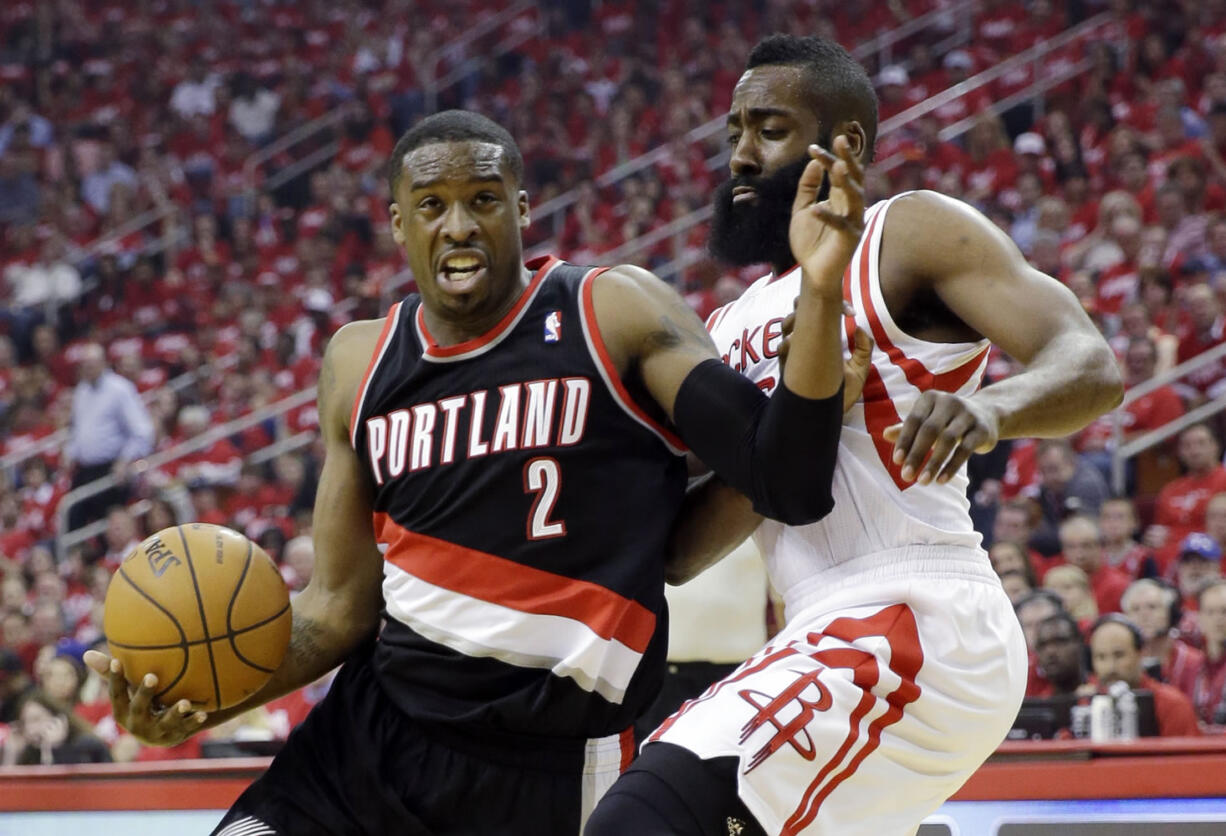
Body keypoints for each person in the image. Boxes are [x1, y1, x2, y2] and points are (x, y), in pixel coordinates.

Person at [84, 108, 866, 835]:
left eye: (484, 199)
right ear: (398, 224)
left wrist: (823, 300)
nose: (459, 225)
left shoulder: (611, 312)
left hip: (550, 765)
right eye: (431, 205)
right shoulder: (359, 363)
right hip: (367, 741)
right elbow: (335, 610)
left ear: (522, 210)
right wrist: (202, 702)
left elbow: (783, 480)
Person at [587, 35, 1122, 836]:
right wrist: (791, 433)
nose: (739, 154)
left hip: (918, 611)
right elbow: (685, 553)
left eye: (767, 129)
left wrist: (992, 408)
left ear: (846, 146)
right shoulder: (724, 326)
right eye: (733, 131)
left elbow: (1089, 361)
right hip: (809, 625)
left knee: (645, 817)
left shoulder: (906, 233)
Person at [64, 343, 155, 532]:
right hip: (85, 469)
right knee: (73, 517)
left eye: (91, 364)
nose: (87, 369)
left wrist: (125, 459)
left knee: (110, 525)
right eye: (84, 365)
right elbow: (78, 429)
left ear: (103, 363)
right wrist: (69, 453)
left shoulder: (120, 389)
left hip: (112, 469)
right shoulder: (82, 391)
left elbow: (142, 431)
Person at [1087, 615, 1201, 737]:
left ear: (1141, 654)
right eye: (1101, 657)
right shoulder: (1084, 705)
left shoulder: (1173, 705)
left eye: (1119, 655)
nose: (1110, 667)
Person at [1145, 424, 1226, 572]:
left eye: (1201, 443)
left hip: (1210, 554)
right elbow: (1160, 531)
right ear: (1180, 452)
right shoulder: (1170, 489)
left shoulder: (1224, 480)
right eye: (1187, 445)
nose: (1194, 451)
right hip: (1169, 556)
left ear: (1216, 446)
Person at [1122, 578, 1202, 699]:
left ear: (1171, 613)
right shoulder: (1122, 663)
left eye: (1152, 607)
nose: (1144, 614)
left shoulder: (1195, 662)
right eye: (1135, 609)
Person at [0, 690, 112, 765]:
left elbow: (72, 788)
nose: (30, 729)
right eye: (25, 722)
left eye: (36, 719)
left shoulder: (87, 745)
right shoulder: (31, 752)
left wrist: (57, 749)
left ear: (58, 720)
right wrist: (12, 754)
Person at [1055, 515, 1132, 615]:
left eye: (1086, 545)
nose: (1079, 554)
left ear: (1100, 546)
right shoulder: (1055, 581)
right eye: (1071, 547)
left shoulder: (1119, 585)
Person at [1192, 579, 1226, 726]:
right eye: (1210, 612)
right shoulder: (1191, 665)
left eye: (1225, 611)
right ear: (1200, 617)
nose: (1218, 619)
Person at [1031, 612, 1089, 698]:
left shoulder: (1101, 694)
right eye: (1042, 645)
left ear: (1079, 643)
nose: (1050, 651)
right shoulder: (1037, 705)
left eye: (1060, 641)